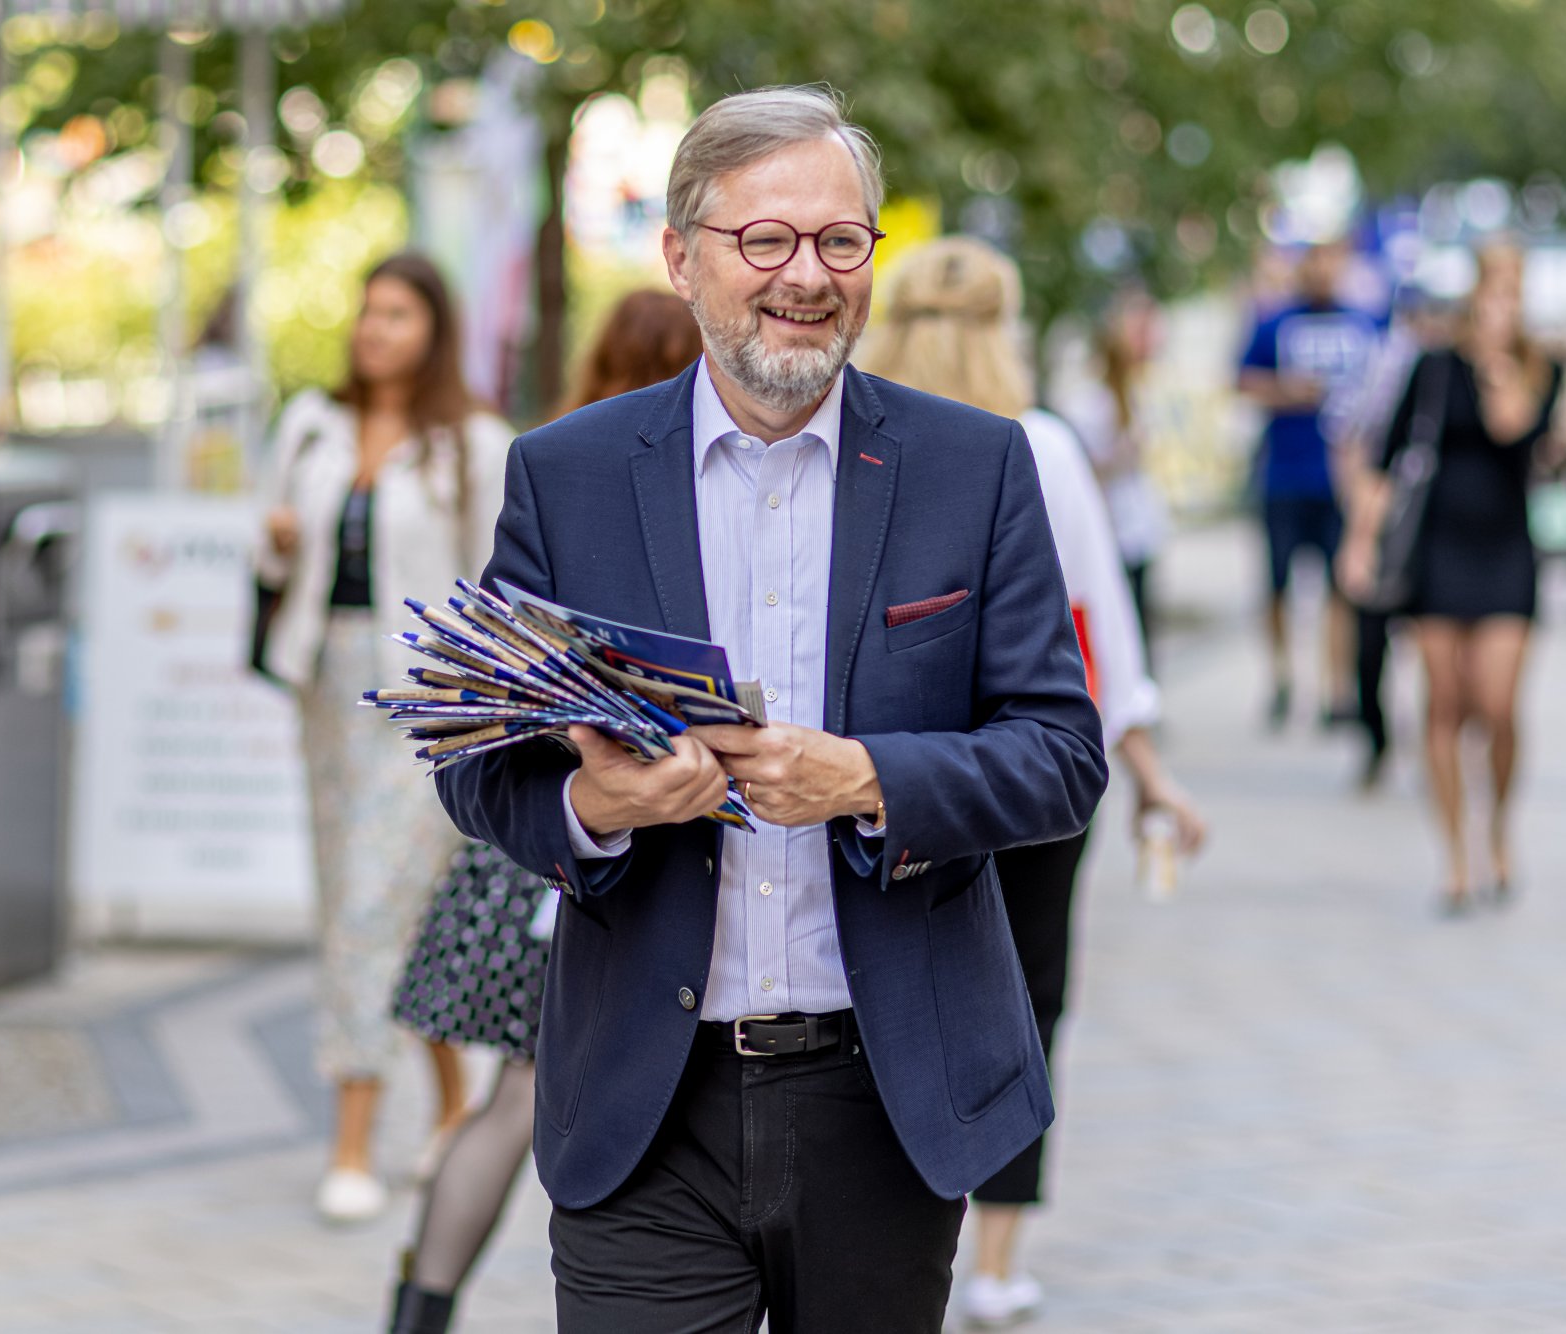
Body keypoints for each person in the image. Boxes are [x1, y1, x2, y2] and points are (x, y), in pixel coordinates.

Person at [434, 87, 1108, 1333]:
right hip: (645, 1094)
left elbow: (1062, 756)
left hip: (886, 1089)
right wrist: (596, 805)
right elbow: (480, 759)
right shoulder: (566, 476)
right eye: (766, 241)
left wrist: (865, 777)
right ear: (681, 256)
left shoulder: (975, 465)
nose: (807, 275)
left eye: (839, 241)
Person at [858, 236, 1206, 1327]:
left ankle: (887, 1208)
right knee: (1022, 999)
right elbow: (1096, 626)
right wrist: (1144, 768)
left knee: (879, 986)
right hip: (1022, 770)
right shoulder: (1039, 445)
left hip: (883, 770)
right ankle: (994, 1255)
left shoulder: (856, 438)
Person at [384, 289, 703, 1334]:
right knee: (532, 1089)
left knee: (513, 1092)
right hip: (606, 845)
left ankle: (419, 1306)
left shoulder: (553, 462)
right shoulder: (642, 489)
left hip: (540, 833)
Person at [253, 252, 514, 1222]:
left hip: (427, 700)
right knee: (356, 910)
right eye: (367, 312)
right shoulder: (312, 423)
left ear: (432, 328)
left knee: (372, 906)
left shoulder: (474, 441)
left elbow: (497, 582)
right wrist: (276, 537)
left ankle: (353, 1141)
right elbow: (266, 545)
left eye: (398, 314)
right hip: (324, 679)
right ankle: (450, 1099)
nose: (375, 330)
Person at [1340, 242, 1566, 912]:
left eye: (1513, 290)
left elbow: (1517, 433)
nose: (1501, 302)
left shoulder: (1541, 366)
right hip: (1436, 549)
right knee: (1444, 702)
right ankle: (1456, 855)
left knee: (1496, 706)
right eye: (1492, 288)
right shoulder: (1432, 366)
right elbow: (1386, 458)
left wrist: (1498, 366)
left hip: (1505, 549)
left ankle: (1497, 826)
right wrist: (1360, 542)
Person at [1324, 283, 1461, 788]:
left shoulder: (1461, 370)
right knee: (1370, 642)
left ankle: (1437, 740)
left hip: (1437, 527)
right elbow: (1349, 439)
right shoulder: (1384, 365)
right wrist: (1359, 523)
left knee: (1437, 646)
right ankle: (1377, 737)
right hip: (1381, 517)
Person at [1238, 242, 1379, 729]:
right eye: (1314, 258)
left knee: (1340, 589)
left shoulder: (1364, 323)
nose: (1323, 269)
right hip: (1284, 475)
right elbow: (1242, 380)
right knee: (1277, 586)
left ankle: (1335, 689)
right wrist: (1287, 392)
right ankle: (1281, 677)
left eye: (1332, 258)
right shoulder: (1274, 322)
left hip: (1338, 482)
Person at [1055, 289, 1171, 668]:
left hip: (1137, 526)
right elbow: (1084, 468)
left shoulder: (1139, 391)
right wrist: (1122, 455)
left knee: (1140, 618)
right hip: (1109, 527)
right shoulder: (1090, 400)